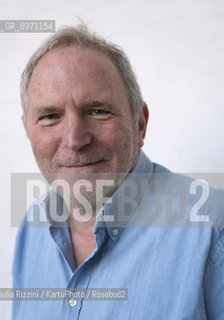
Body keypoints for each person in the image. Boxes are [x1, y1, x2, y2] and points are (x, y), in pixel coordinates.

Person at [12, 23, 224, 319]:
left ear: (140, 124)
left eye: (98, 111)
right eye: (49, 116)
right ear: (28, 130)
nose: (74, 140)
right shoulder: (31, 229)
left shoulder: (213, 229)